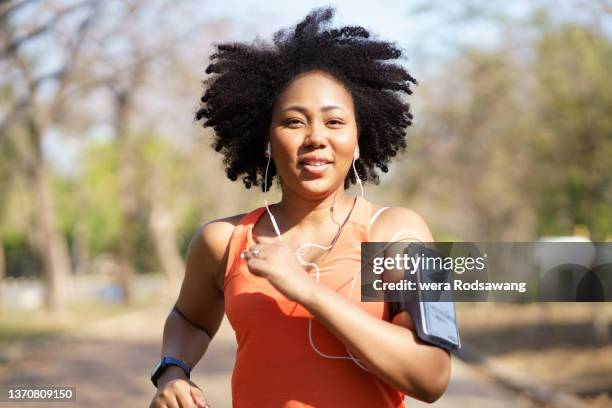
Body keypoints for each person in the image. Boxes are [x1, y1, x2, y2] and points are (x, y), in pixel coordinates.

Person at [149, 7, 451, 408]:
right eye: (294, 122)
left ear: (359, 140)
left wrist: (307, 291)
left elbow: (432, 376)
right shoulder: (222, 241)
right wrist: (172, 370)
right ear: (267, 141)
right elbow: (190, 318)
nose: (315, 138)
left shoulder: (397, 233)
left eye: (335, 122)